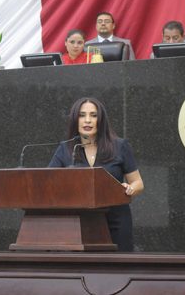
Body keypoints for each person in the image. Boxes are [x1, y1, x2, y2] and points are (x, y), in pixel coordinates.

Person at [48, 97, 144, 251]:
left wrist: (128, 189)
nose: (87, 120)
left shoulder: (120, 146)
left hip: (116, 220)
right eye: (82, 115)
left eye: (93, 115)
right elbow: (48, 183)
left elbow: (138, 183)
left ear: (101, 120)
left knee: (119, 269)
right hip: (79, 223)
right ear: (74, 119)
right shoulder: (65, 149)